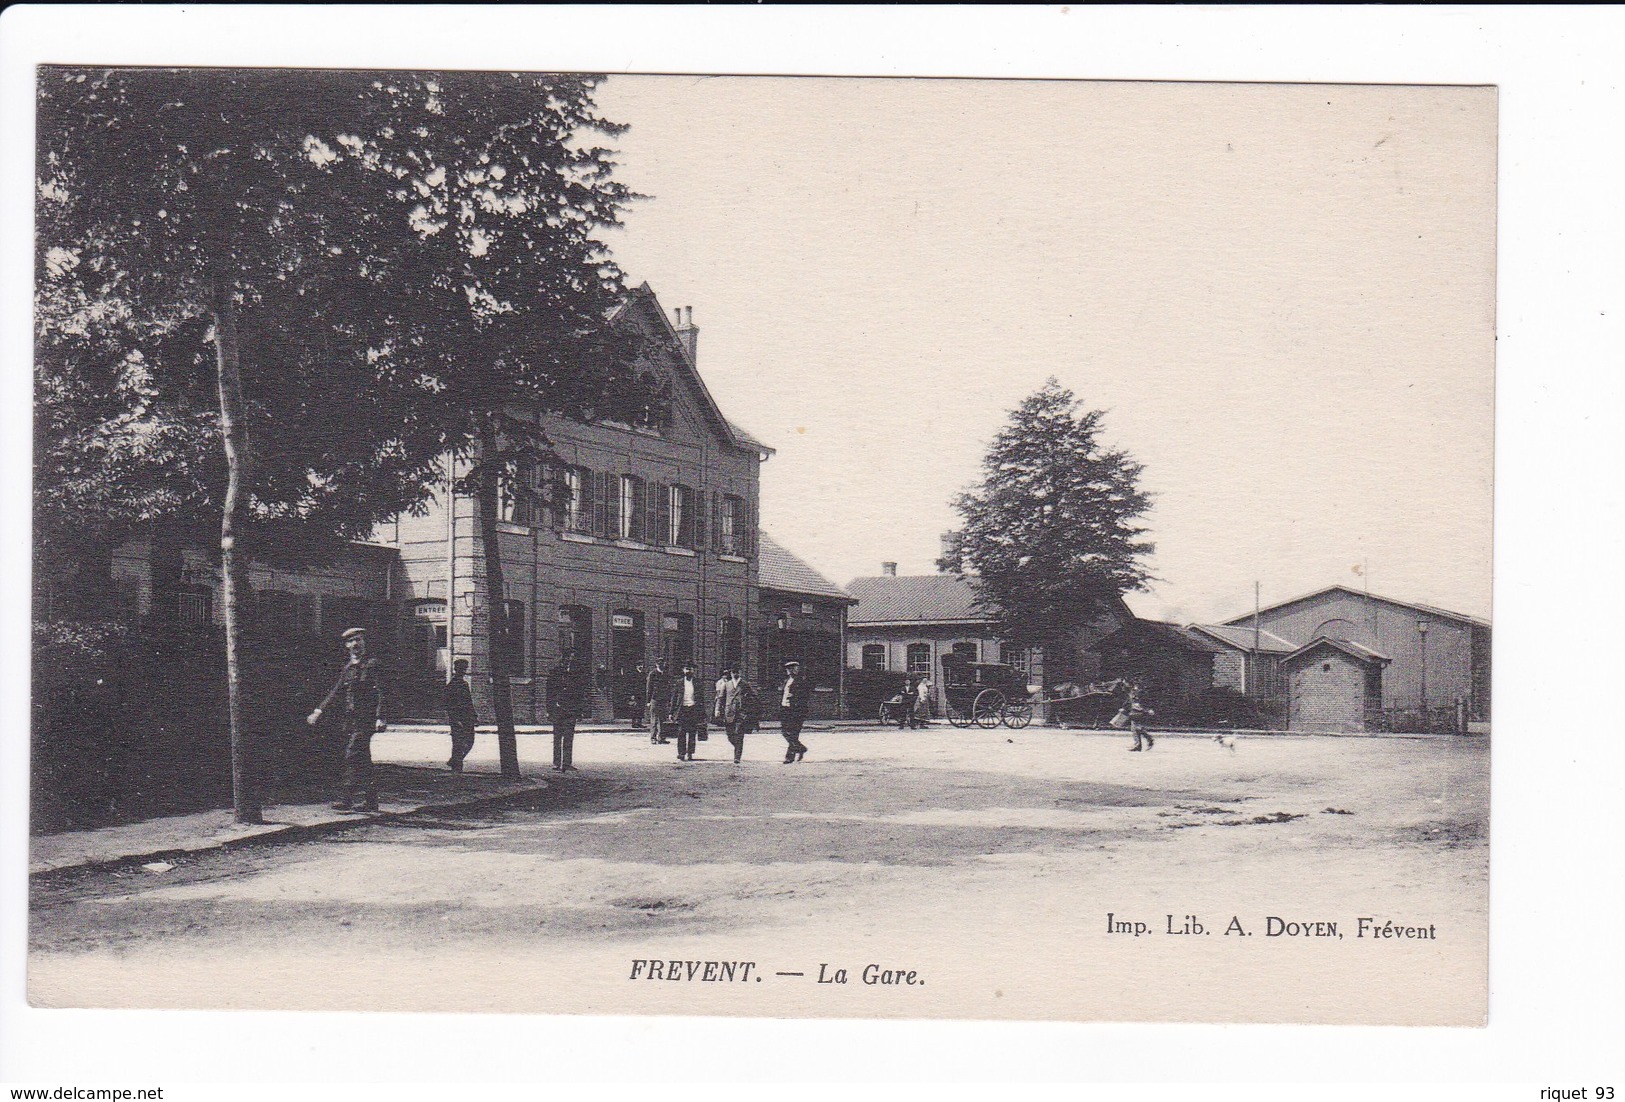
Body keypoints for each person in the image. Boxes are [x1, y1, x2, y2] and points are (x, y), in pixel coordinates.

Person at [307, 627, 387, 812]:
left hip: (366, 720)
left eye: (358, 640)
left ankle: (346, 799)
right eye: (351, 642)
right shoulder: (349, 667)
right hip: (350, 719)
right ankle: (371, 801)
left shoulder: (373, 664)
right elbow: (336, 691)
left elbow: (382, 692)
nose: (355, 645)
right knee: (363, 759)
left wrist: (380, 716)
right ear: (346, 646)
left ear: (364, 642)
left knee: (352, 755)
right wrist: (319, 711)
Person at [547, 654, 588, 772]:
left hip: (571, 710)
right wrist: (549, 710)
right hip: (557, 710)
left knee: (569, 738)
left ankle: (566, 763)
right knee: (557, 737)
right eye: (566, 659)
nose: (568, 662)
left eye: (571, 660)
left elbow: (580, 694)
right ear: (561, 660)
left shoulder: (576, 675)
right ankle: (556, 763)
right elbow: (549, 694)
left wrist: (579, 712)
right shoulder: (554, 674)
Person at [667, 662, 707, 762]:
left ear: (694, 671)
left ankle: (690, 753)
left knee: (692, 732)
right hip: (682, 710)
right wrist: (671, 712)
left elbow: (701, 699)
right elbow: (674, 698)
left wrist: (702, 713)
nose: (689, 671)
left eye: (691, 669)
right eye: (687, 669)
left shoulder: (698, 683)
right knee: (681, 732)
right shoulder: (679, 682)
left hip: (693, 709)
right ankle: (681, 753)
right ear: (683, 670)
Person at [444, 658, 477, 773]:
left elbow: (469, 702)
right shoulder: (451, 686)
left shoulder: (464, 684)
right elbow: (448, 705)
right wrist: (455, 719)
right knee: (458, 743)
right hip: (458, 719)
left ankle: (454, 761)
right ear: (456, 669)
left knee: (469, 742)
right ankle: (457, 767)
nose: (463, 671)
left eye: (464, 668)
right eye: (461, 669)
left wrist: (474, 716)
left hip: (467, 718)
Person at [779, 659, 812, 763]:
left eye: (791, 668)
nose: (789, 671)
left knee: (793, 733)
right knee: (785, 732)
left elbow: (805, 696)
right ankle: (801, 748)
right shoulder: (786, 681)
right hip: (785, 709)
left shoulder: (801, 681)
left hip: (796, 711)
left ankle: (789, 757)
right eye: (788, 669)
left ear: (795, 669)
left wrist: (794, 697)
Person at [725, 670, 760, 764]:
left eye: (737, 672)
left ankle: (737, 757)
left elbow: (754, 697)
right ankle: (737, 747)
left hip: (742, 712)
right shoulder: (726, 684)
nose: (735, 674)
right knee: (730, 735)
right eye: (733, 672)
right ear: (731, 673)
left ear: (739, 672)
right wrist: (717, 710)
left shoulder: (745, 684)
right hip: (729, 712)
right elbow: (721, 698)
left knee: (739, 735)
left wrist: (748, 707)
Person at [1123, 681, 1156, 752]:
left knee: (1135, 728)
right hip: (1136, 711)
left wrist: (1147, 710)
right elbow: (1130, 701)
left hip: (1138, 711)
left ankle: (1140, 744)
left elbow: (1140, 702)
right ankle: (1145, 742)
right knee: (1136, 727)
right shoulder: (1133, 691)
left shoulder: (1138, 692)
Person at [645, 660, 670, 745]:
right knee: (654, 720)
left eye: (662, 664)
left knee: (663, 720)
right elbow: (649, 688)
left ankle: (662, 738)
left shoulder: (666, 674)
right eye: (660, 664)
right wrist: (648, 701)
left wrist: (669, 700)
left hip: (664, 700)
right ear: (656, 665)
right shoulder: (652, 674)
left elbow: (668, 688)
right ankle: (653, 738)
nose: (661, 665)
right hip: (655, 699)